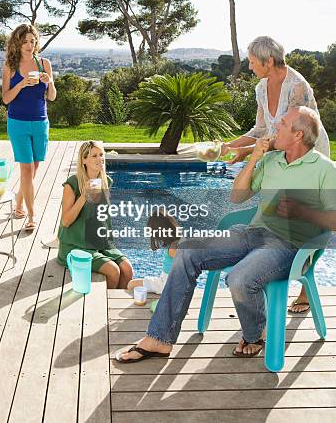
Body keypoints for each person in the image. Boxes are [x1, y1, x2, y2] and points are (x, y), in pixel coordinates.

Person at [116, 107, 336, 362]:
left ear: (298, 134)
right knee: (187, 250)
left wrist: (302, 211)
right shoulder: (271, 160)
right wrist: (254, 158)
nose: (275, 127)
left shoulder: (325, 170)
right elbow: (237, 196)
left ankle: (254, 334)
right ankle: (159, 339)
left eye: (282, 124)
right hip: (253, 233)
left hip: (290, 245)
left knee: (239, 278)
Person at [221, 36, 330, 313]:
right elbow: (261, 130)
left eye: (253, 62)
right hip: (277, 154)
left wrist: (250, 152)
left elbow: (300, 132)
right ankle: (264, 274)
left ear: (269, 61)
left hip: (305, 155)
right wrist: (230, 144)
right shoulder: (260, 87)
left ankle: (305, 286)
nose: (249, 67)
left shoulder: (297, 87)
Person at [57, 140, 134, 288]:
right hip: (74, 245)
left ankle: (114, 307)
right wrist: (84, 196)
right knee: (113, 271)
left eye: (101, 155)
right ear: (84, 160)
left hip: (99, 242)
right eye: (94, 156)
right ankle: (104, 308)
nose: (100, 159)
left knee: (127, 269)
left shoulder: (106, 181)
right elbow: (65, 221)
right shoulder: (72, 184)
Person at [2, 24, 56, 230]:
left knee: (33, 168)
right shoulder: (10, 66)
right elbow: (6, 99)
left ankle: (18, 203)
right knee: (26, 169)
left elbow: (51, 97)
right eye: (25, 41)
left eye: (32, 41)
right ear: (17, 42)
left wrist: (49, 81)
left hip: (40, 122)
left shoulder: (44, 63)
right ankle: (31, 216)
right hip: (18, 123)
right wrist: (22, 84)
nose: (29, 45)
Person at [128, 210, 179, 294]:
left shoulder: (173, 248)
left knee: (131, 284)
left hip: (165, 285)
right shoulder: (177, 241)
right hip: (166, 281)